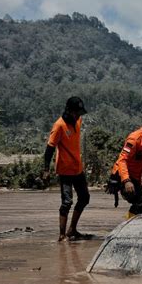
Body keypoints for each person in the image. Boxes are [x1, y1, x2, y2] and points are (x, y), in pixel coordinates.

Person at [43, 96, 90, 241]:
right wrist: (46, 169)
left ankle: (72, 229)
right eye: (76, 113)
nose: (78, 116)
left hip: (78, 168)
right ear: (69, 111)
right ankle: (62, 235)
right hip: (64, 170)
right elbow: (50, 149)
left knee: (84, 198)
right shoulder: (59, 126)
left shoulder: (78, 121)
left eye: (79, 113)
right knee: (67, 202)